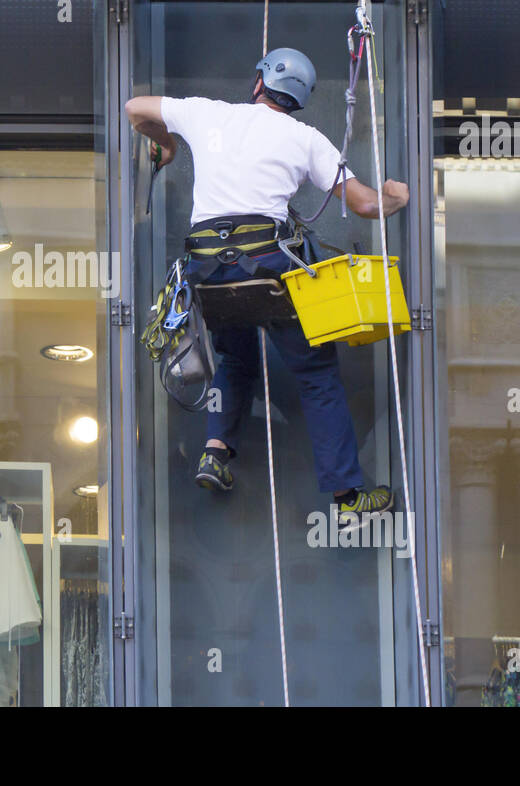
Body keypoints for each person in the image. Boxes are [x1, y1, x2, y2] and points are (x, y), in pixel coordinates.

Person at [124, 46, 408, 521]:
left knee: (234, 356)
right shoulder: (307, 138)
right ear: (298, 98)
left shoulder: (205, 112)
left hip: (207, 274)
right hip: (266, 269)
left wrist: (167, 145)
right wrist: (395, 196)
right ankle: (347, 498)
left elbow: (135, 109)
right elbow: (364, 204)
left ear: (261, 81)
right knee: (316, 374)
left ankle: (215, 453)